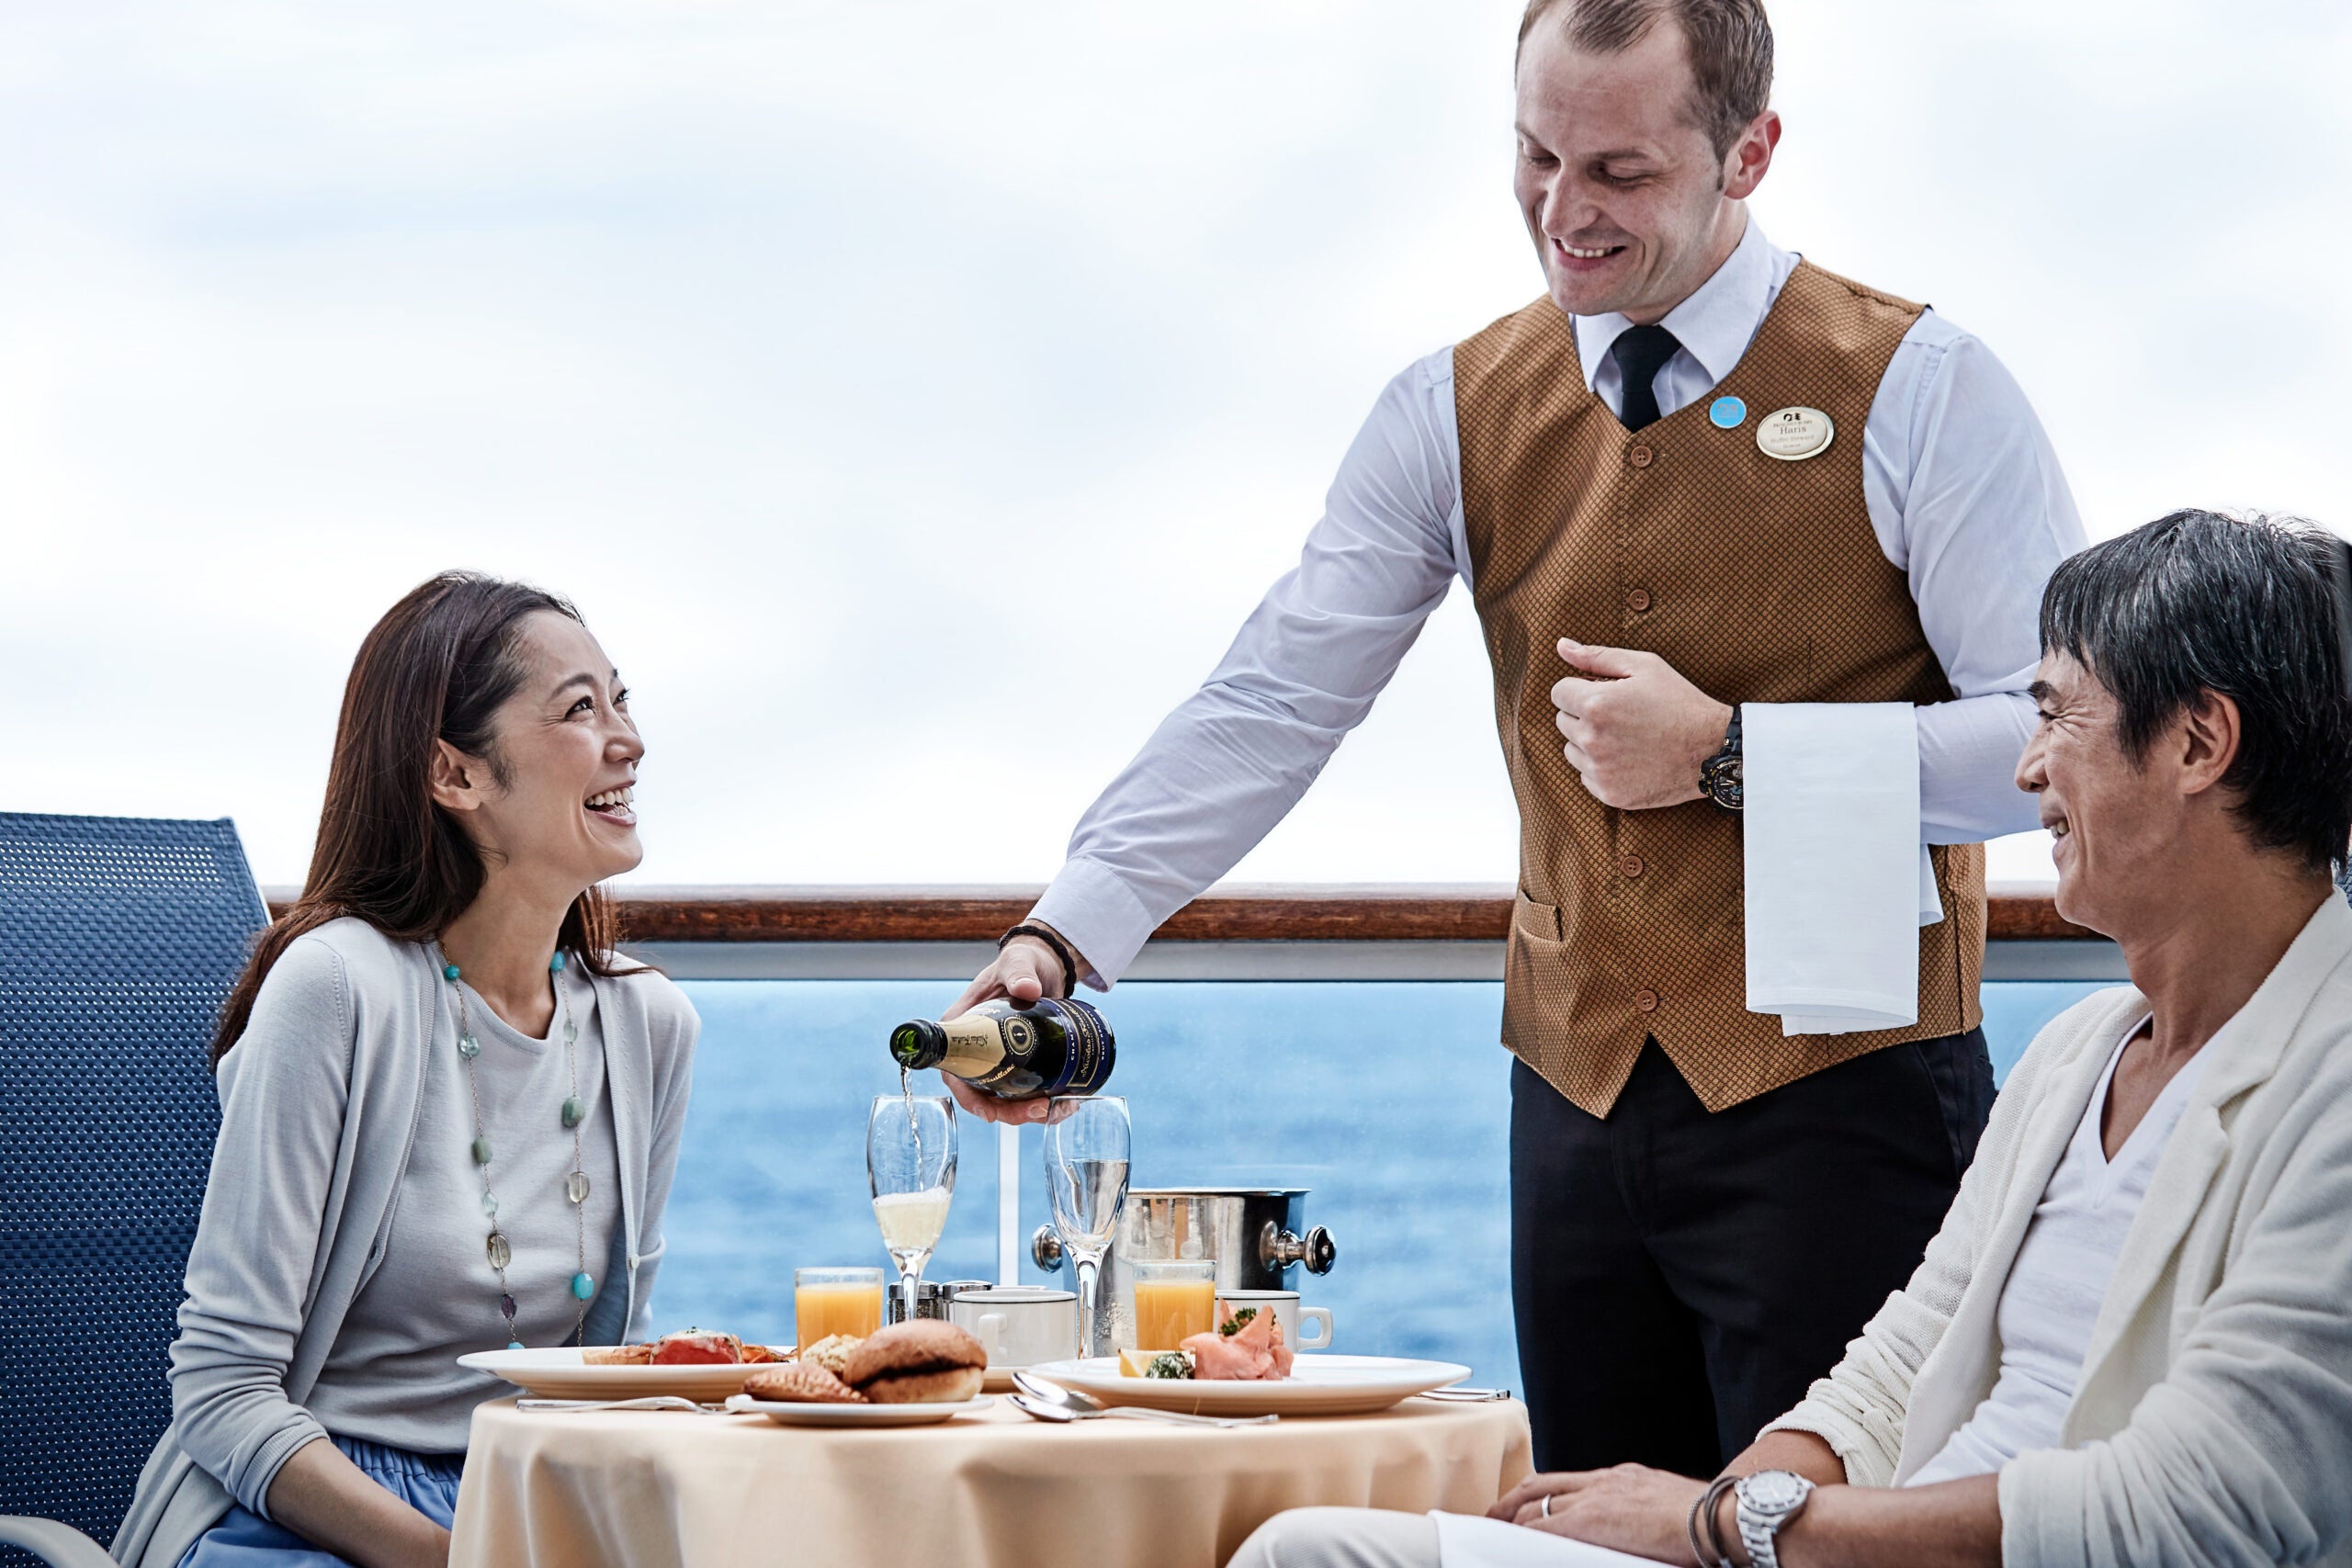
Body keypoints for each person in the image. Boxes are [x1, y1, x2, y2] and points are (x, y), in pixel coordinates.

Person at [946, 0, 2082, 1472]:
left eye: (1618, 171)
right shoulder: (1453, 404)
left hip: (1847, 1103)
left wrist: (1736, 751)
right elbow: (1276, 696)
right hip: (1574, 1105)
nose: (1563, 211)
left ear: (1751, 150)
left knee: (1845, 1535)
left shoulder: (1925, 385)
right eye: (1536, 157)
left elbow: (2056, 734)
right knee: (1591, 1530)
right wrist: (1063, 936)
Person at [1230, 508, 2352, 1568]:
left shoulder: (2332, 1080)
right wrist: (1722, 1518)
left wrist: (1734, 1530)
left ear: (2200, 741)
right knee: (1309, 1549)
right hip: (1812, 1546)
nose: (2025, 768)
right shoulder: (2081, 1052)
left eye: (2057, 714)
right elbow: (1895, 1367)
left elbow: (2195, 1505)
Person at [111, 573, 700, 1568]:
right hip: (306, 1514)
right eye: (578, 709)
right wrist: (448, 1558)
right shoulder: (338, 988)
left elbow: (608, 1369)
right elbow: (223, 1388)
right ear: (454, 776)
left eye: (622, 700)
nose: (628, 740)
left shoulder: (648, 1023)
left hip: (519, 1501)